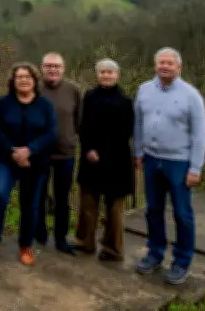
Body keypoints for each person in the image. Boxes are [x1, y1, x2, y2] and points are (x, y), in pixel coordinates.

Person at [134, 47, 205, 285]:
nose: (164, 66)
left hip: (179, 162)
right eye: (161, 62)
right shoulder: (144, 90)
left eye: (169, 63)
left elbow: (200, 135)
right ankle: (155, 253)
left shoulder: (191, 95)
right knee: (153, 209)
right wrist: (138, 152)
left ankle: (182, 261)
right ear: (155, 65)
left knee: (182, 213)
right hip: (151, 159)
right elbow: (138, 123)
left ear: (179, 67)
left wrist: (195, 167)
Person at [0, 63, 57, 265]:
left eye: (27, 76)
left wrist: (29, 150)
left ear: (35, 80)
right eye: (19, 77)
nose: (23, 80)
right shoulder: (3, 104)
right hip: (6, 160)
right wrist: (14, 152)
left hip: (35, 163)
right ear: (13, 81)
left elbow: (51, 133)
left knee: (30, 205)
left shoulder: (45, 106)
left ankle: (25, 246)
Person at [74, 59, 134, 262]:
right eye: (102, 72)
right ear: (97, 74)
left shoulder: (126, 102)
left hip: (116, 161)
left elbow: (125, 132)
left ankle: (113, 248)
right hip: (91, 159)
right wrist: (89, 148)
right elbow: (83, 126)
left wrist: (103, 153)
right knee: (87, 205)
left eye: (109, 72)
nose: (106, 75)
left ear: (117, 75)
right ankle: (85, 241)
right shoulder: (89, 96)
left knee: (114, 210)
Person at [36, 52, 82, 254]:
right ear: (42, 68)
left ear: (63, 69)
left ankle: (61, 238)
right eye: (49, 66)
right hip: (39, 154)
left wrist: (73, 139)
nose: (53, 70)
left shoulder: (73, 90)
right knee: (38, 196)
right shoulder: (34, 88)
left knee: (62, 198)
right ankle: (39, 234)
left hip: (65, 154)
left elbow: (80, 120)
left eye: (57, 66)